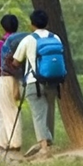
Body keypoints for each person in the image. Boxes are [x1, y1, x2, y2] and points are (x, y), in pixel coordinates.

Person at [12, 9, 61, 158]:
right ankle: (47, 142)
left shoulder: (28, 39)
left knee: (39, 114)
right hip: (53, 81)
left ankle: (44, 148)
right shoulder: (56, 38)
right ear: (46, 22)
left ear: (31, 24)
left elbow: (16, 61)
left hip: (34, 81)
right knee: (49, 112)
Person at [0, 14, 22, 151]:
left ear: (3, 27)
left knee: (7, 110)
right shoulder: (22, 41)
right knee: (14, 109)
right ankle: (11, 141)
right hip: (20, 80)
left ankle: (13, 143)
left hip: (5, 79)